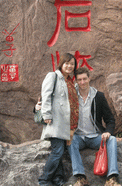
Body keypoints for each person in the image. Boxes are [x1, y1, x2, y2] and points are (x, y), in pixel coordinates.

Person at [66, 67, 120, 186]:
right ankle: (81, 178)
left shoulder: (98, 96)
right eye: (79, 80)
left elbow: (110, 119)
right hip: (78, 136)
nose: (82, 82)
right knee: (70, 141)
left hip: (96, 136)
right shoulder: (71, 96)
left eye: (85, 79)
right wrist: (38, 107)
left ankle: (112, 178)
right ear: (76, 80)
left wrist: (108, 132)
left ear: (89, 78)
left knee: (112, 140)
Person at [38, 53, 79, 186]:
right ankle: (44, 180)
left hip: (65, 123)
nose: (69, 66)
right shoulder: (53, 76)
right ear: (61, 64)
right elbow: (46, 95)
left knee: (59, 151)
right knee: (58, 151)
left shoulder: (70, 81)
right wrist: (47, 115)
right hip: (55, 121)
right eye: (67, 63)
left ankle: (58, 180)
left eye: (72, 64)